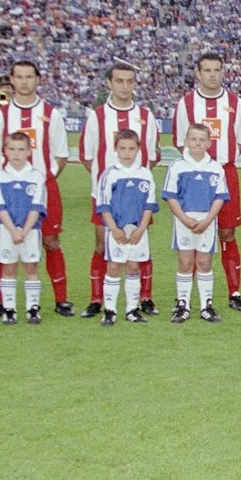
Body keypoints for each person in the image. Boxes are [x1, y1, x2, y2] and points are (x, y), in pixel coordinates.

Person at [0, 60, 75, 316]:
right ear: (11, 80)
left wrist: (45, 178)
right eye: (19, 77)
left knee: (50, 240)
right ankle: (5, 301)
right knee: (8, 239)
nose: (24, 82)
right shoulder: (1, 115)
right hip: (10, 190)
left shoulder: (51, 114)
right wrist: (7, 181)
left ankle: (61, 300)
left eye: (29, 77)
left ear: (37, 80)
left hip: (44, 187)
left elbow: (60, 154)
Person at [167, 53, 241, 311]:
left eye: (217, 70)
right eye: (207, 70)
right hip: (193, 176)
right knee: (192, 230)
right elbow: (180, 141)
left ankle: (234, 292)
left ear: (223, 72)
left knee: (227, 232)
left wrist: (219, 163)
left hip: (225, 172)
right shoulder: (186, 104)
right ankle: (186, 298)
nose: (213, 74)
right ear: (198, 74)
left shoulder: (235, 103)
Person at [86, 61, 162, 316]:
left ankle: (145, 298)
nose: (125, 86)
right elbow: (88, 156)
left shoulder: (145, 116)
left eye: (130, 81)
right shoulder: (97, 116)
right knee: (101, 245)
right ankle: (97, 299)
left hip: (137, 198)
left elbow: (152, 154)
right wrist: (109, 184)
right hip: (106, 196)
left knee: (139, 244)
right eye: (119, 81)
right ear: (109, 83)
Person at [162, 122, 230, 322]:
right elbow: (170, 196)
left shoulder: (215, 167)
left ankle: (206, 305)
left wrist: (208, 220)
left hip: (207, 220)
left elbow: (220, 196)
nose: (197, 143)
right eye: (193, 139)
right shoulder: (177, 166)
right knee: (185, 261)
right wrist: (183, 218)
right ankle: (183, 304)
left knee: (204, 262)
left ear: (209, 143)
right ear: (186, 141)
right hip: (184, 220)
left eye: (202, 140)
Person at [93, 130, 159, 326]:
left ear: (138, 149)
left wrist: (140, 230)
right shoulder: (109, 174)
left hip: (138, 231)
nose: (127, 153)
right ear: (115, 149)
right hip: (116, 230)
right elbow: (103, 205)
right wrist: (114, 229)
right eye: (122, 148)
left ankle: (132, 309)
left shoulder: (145, 174)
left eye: (131, 148)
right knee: (113, 267)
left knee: (133, 266)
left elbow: (149, 205)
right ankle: (110, 310)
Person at [0, 131, 48, 325]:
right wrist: (13, 230)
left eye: (21, 149)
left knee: (31, 267)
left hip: (31, 230)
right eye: (12, 149)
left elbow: (37, 207)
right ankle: (9, 309)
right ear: (5, 151)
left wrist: (24, 230)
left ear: (29, 152)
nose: (16, 154)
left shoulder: (37, 177)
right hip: (7, 230)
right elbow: (0, 207)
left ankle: (32, 308)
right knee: (8, 268)